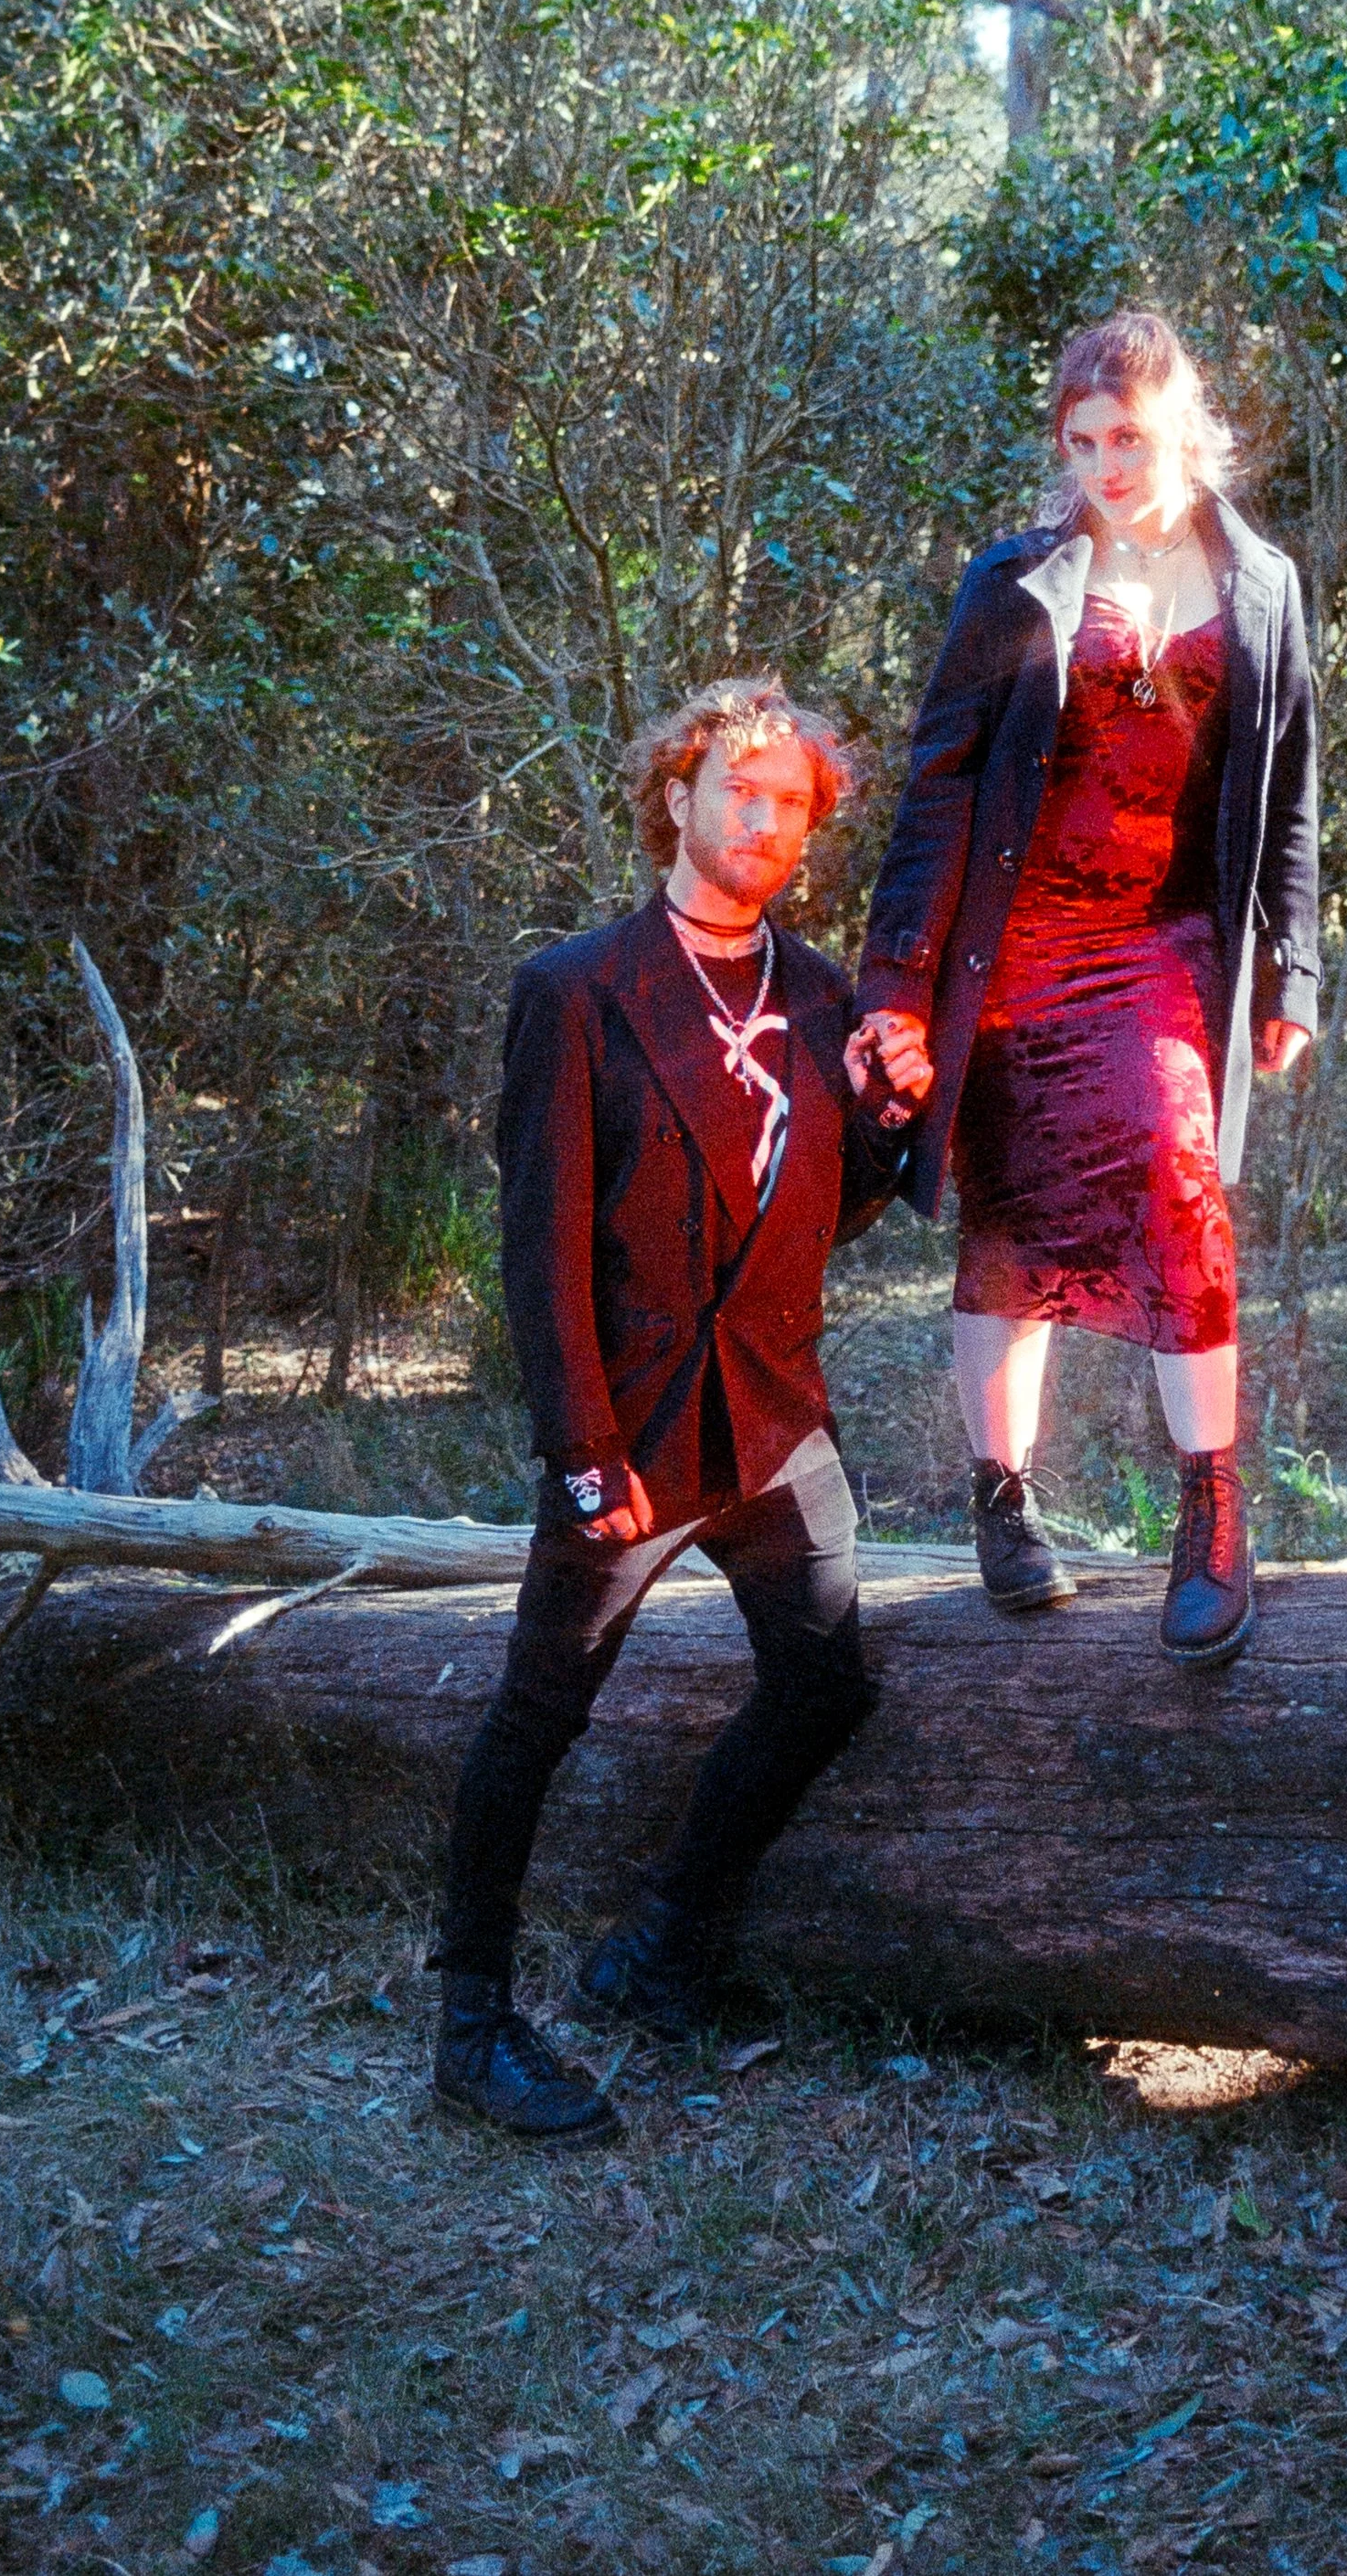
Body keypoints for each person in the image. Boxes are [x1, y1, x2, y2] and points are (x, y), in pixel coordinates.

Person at [432, 678, 914, 2145]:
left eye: (790, 805)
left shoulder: (825, 993)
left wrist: (888, 1120)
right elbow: (543, 1245)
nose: (764, 823)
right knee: (537, 1716)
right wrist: (580, 1453)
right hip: (631, 1425)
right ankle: (470, 2029)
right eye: (740, 792)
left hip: (772, 1417)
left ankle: (659, 1950)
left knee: (828, 1682)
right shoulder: (577, 989)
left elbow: (814, 1220)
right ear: (680, 796)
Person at [856, 310, 1320, 1670]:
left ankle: (1212, 1505)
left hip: (1165, 946)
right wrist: (896, 983)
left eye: (1128, 436)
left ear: (1181, 425)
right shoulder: (1017, 581)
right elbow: (937, 788)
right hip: (1018, 947)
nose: (1104, 464)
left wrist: (1290, 966)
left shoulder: (1264, 585)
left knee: (1181, 1180)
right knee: (1007, 1219)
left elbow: (1287, 796)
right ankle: (1002, 1503)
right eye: (1080, 440)